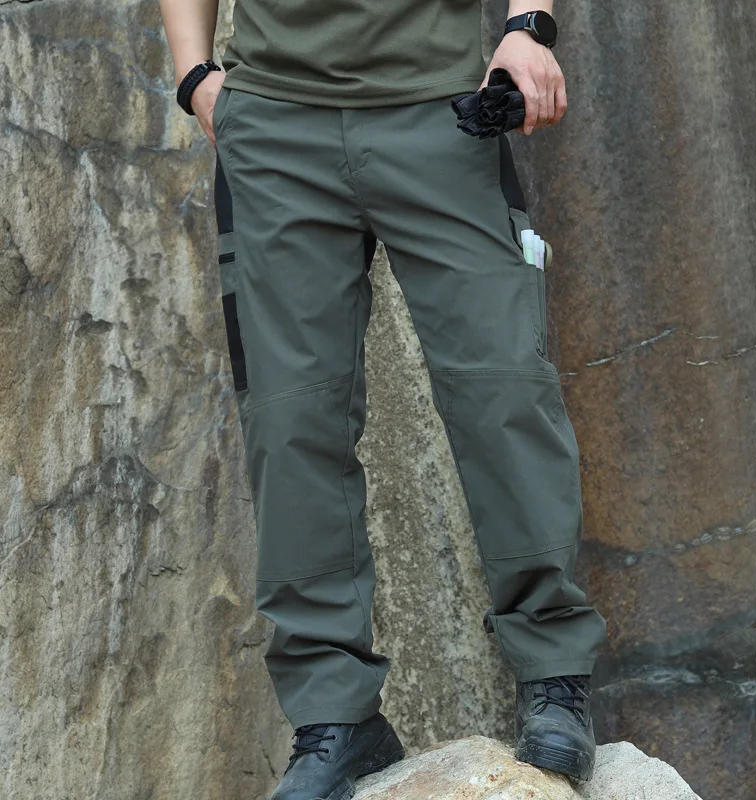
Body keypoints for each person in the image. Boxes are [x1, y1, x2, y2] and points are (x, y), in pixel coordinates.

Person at [158, 0, 607, 797]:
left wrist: (527, 25)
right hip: (273, 126)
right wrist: (195, 76)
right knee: (292, 419)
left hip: (441, 110)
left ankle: (554, 678)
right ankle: (335, 718)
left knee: (503, 393)